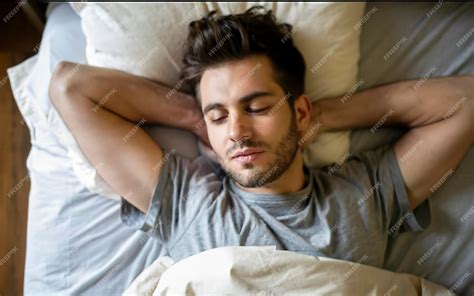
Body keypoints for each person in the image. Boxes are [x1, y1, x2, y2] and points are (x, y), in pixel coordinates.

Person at [49, 6, 473, 268]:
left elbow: (466, 101)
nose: (238, 132)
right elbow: (70, 87)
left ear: (299, 109)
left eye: (256, 107)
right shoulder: (184, 201)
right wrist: (197, 119)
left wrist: (322, 116)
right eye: (220, 116)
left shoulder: (364, 195)